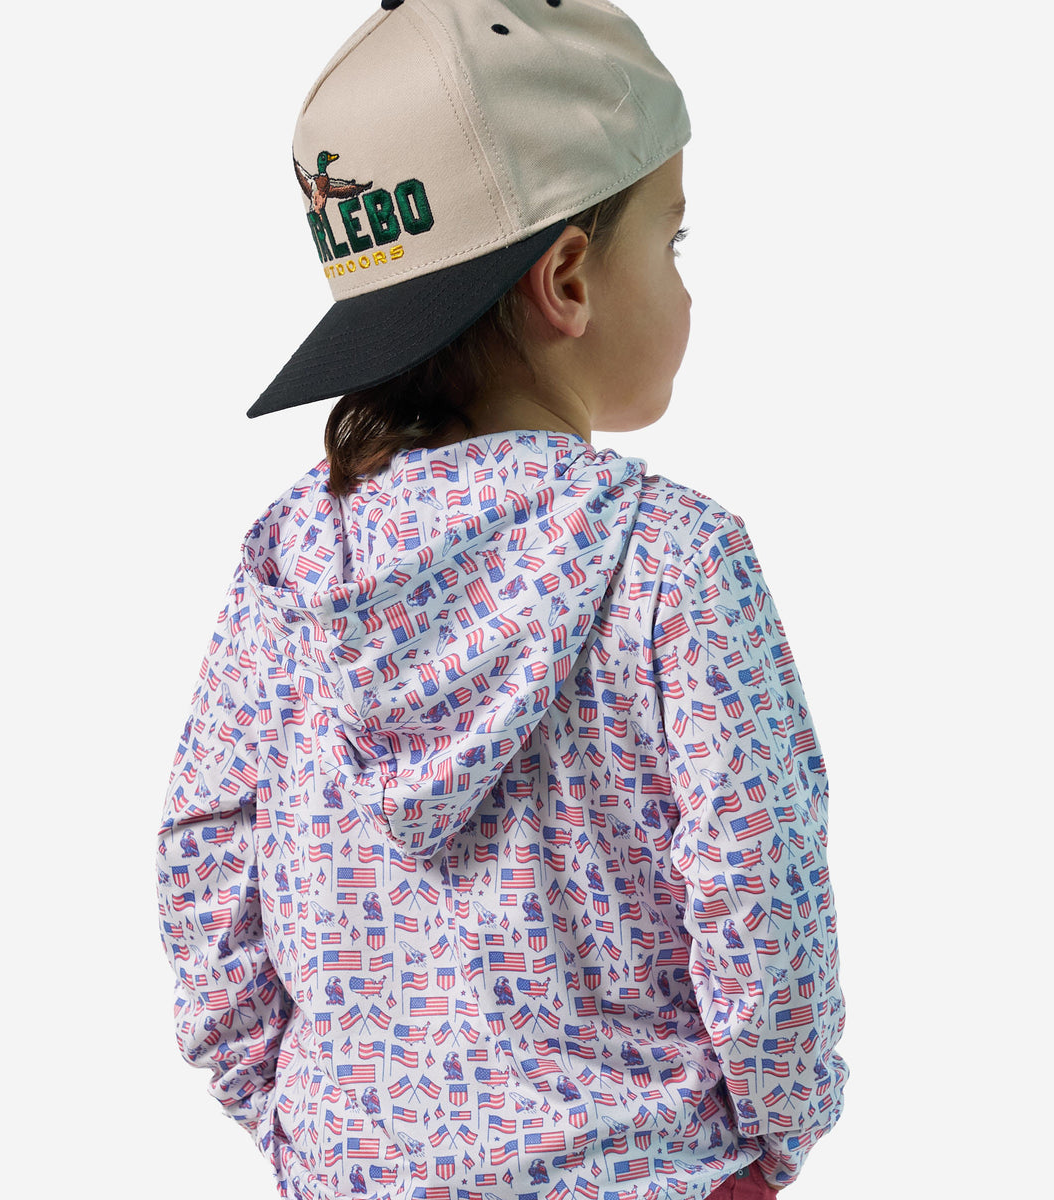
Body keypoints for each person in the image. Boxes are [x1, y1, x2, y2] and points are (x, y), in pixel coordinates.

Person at [154, 3, 849, 1198]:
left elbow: (205, 860)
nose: (684, 283)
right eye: (673, 241)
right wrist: (777, 1127)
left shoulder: (290, 569)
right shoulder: (673, 561)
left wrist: (306, 1123)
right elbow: (759, 884)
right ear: (568, 279)